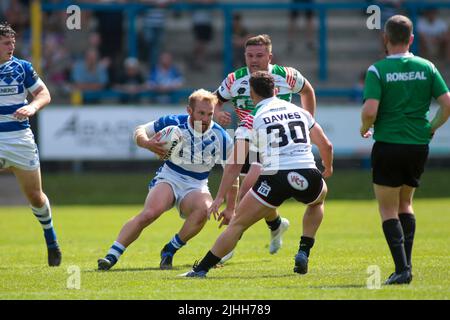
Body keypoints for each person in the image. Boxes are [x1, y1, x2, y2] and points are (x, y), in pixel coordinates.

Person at [180, 71, 333, 277]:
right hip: (308, 171)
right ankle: (304, 250)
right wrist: (328, 167)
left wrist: (219, 198)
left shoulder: (251, 119)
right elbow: (326, 145)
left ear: (252, 95)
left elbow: (234, 164)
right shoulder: (300, 112)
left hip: (274, 177)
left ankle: (200, 270)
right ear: (276, 90)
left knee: (238, 224)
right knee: (316, 201)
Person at [97, 89, 237, 271]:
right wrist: (147, 143)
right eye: (201, 113)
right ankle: (112, 256)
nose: (205, 118)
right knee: (150, 213)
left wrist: (231, 207)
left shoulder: (222, 137)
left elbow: (233, 173)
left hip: (197, 184)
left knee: (204, 211)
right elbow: (139, 130)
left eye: (210, 114)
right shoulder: (174, 122)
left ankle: (170, 249)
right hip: (170, 177)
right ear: (189, 111)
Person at [360, 15, 450, 285]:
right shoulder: (428, 67)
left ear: (384, 38)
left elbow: (370, 110)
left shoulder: (377, 70)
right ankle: (406, 266)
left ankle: (402, 270)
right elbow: (447, 104)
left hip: (389, 144)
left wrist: (365, 126)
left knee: (388, 209)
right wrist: (431, 127)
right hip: (417, 146)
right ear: (412, 39)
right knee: (406, 204)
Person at [214, 34, 317, 259]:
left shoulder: (286, 75)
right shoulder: (234, 79)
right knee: (256, 192)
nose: (254, 60)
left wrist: (307, 120)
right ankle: (276, 225)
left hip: (274, 146)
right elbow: (215, 99)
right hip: (246, 138)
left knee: (247, 189)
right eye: (249, 55)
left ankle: (227, 246)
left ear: (270, 56)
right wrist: (217, 112)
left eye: (259, 55)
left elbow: (307, 90)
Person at [0, 22, 61, 266]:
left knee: (35, 197)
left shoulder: (22, 67)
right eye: (6, 43)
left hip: (18, 139)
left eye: (13, 43)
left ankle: (51, 240)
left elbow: (44, 94)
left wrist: (32, 107)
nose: (11, 47)